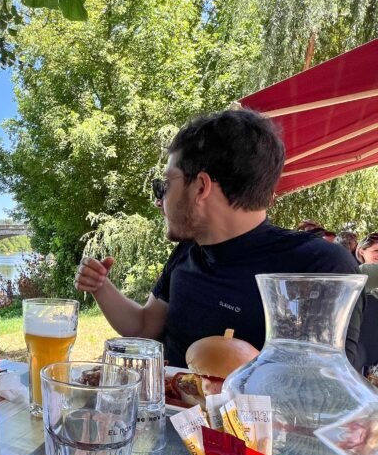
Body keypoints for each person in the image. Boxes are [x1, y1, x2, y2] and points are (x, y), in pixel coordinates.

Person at [75, 109, 364, 368]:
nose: (158, 201)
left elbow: (328, 396)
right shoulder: (188, 252)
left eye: (164, 185)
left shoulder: (317, 268)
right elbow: (144, 326)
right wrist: (101, 287)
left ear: (201, 187)